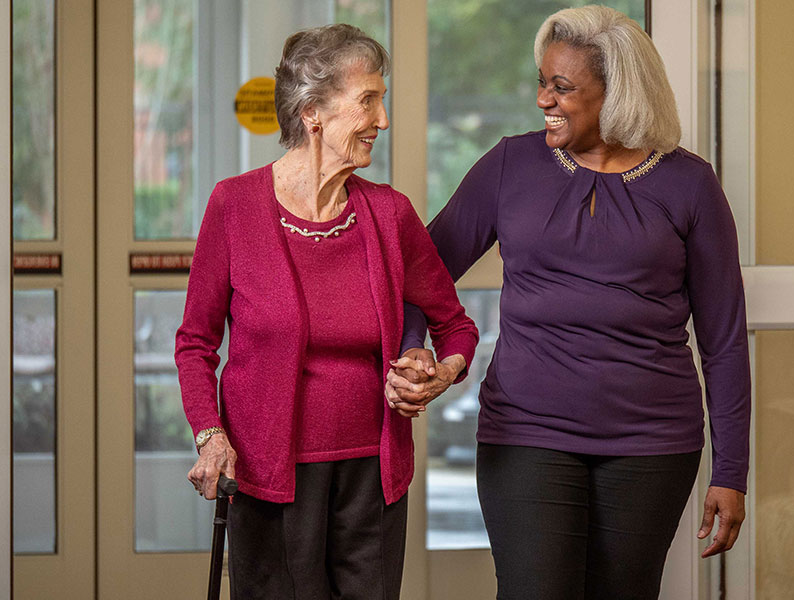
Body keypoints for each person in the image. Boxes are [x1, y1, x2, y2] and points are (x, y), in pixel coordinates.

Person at [387, 6, 751, 599]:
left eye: (562, 87)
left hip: (652, 444)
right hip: (526, 432)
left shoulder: (690, 185)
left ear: (618, 93)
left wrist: (731, 470)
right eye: (541, 81)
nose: (542, 100)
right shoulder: (511, 164)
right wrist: (413, 349)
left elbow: (725, 340)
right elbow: (420, 275)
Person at [175, 24, 478, 599]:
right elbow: (195, 342)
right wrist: (209, 434)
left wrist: (440, 371)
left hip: (373, 476)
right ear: (313, 111)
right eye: (368, 100)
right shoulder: (234, 206)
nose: (382, 120)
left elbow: (455, 324)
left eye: (382, 101)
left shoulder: (390, 214)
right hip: (268, 475)